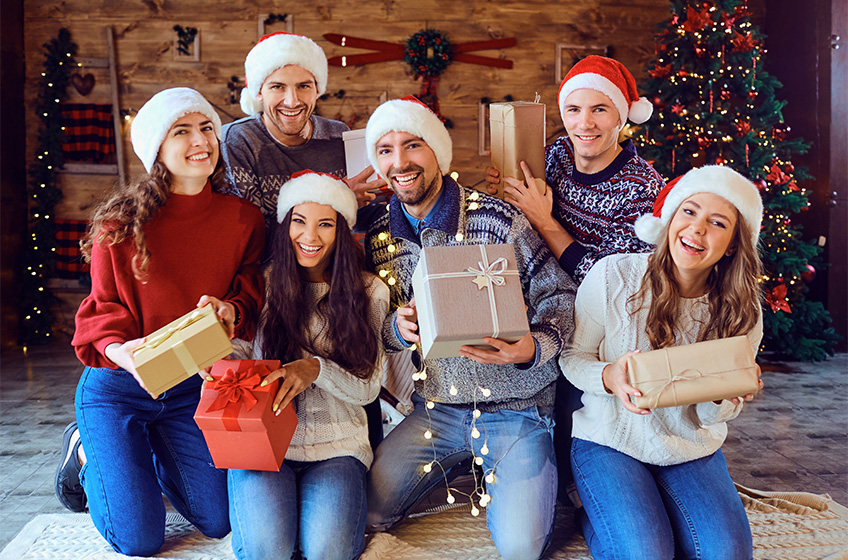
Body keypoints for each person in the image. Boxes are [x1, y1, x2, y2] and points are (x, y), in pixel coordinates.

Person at [363, 96, 577, 560]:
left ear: (437, 152)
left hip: (515, 409)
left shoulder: (496, 220)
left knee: (521, 548)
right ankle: (465, 466)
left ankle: (509, 469)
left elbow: (561, 297)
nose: (399, 162)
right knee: (367, 512)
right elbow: (370, 330)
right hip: (436, 412)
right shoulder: (380, 238)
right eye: (384, 150)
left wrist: (532, 349)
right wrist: (396, 331)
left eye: (413, 145)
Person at [54, 88, 265, 556]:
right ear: (157, 150)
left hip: (189, 387)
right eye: (182, 131)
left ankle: (140, 456)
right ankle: (89, 452)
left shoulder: (244, 220)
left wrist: (232, 310)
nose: (200, 140)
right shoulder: (120, 225)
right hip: (118, 386)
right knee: (138, 539)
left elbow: (251, 288)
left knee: (217, 520)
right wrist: (120, 351)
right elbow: (100, 312)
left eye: (207, 127)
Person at [559, 165, 764, 559]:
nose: (697, 229)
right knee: (647, 553)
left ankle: (650, 508)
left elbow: (707, 416)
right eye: (689, 212)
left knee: (727, 554)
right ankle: (594, 516)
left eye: (717, 222)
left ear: (735, 244)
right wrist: (609, 376)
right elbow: (571, 358)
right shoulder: (613, 276)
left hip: (689, 447)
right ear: (670, 218)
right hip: (610, 442)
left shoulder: (743, 310)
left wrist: (727, 393)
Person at [486, 55, 665, 503]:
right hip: (548, 301)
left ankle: (587, 483)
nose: (584, 123)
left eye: (599, 110)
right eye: (573, 110)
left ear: (622, 117)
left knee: (574, 442)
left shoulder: (642, 187)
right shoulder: (557, 157)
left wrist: (544, 221)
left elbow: (613, 283)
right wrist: (503, 193)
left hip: (607, 329)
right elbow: (523, 223)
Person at [227, 170, 388, 560]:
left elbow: (368, 388)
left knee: (328, 552)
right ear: (285, 226)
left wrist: (315, 368)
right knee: (269, 551)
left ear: (342, 231)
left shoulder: (371, 291)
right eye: (299, 221)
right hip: (263, 445)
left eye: (325, 224)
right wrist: (218, 364)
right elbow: (239, 353)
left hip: (338, 449)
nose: (310, 237)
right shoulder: (261, 285)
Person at [222, 31, 385, 241]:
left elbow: (358, 220)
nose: (292, 101)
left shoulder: (338, 135)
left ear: (318, 90)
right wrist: (338, 198)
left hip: (332, 263)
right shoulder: (238, 142)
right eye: (278, 87)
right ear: (258, 92)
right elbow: (254, 233)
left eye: (304, 86)